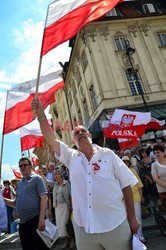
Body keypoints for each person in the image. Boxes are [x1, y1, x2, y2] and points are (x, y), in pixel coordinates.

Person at [32, 98, 140, 250]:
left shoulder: (108, 154)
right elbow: (51, 139)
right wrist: (42, 115)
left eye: (83, 131)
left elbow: (126, 184)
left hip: (114, 224)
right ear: (73, 141)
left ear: (89, 134)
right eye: (76, 133)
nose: (80, 133)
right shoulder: (71, 157)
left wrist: (132, 217)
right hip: (84, 229)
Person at [4, 157, 48, 250]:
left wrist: (41, 219)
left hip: (35, 220)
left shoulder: (37, 179)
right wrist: (2, 199)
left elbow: (44, 198)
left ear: (31, 166)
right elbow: (15, 203)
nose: (22, 167)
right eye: (20, 166)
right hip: (23, 224)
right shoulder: (19, 184)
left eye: (25, 165)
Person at [122, 156, 146, 243]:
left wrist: (142, 196)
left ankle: (141, 236)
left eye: (127, 162)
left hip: (135, 197)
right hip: (124, 199)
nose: (125, 163)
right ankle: (133, 238)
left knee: (138, 217)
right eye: (123, 161)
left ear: (129, 163)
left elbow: (139, 184)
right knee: (127, 219)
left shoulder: (133, 171)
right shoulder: (118, 173)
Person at [151, 144, 166, 212]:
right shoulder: (154, 165)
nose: (157, 154)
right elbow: (155, 178)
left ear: (163, 152)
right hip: (163, 190)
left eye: (158, 152)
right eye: (155, 153)